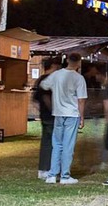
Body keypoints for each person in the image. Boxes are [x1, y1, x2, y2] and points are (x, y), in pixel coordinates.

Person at [41, 53, 87, 184]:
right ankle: (65, 176)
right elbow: (81, 100)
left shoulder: (56, 75)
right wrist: (82, 117)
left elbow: (44, 85)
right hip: (72, 114)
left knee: (57, 144)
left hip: (58, 113)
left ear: (67, 60)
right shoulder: (79, 78)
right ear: (79, 62)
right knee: (68, 145)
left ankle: (52, 175)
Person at [33, 58, 61, 180]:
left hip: (45, 115)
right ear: (53, 66)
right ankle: (48, 168)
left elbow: (35, 100)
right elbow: (46, 98)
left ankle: (44, 169)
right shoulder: (47, 80)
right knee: (51, 143)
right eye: (58, 66)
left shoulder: (40, 80)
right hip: (51, 115)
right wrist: (53, 111)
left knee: (47, 142)